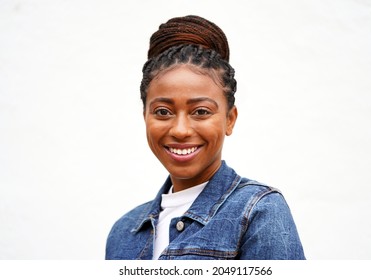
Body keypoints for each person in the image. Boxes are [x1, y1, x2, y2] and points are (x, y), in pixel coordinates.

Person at [105, 15, 305, 260]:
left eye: (200, 111)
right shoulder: (123, 233)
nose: (180, 130)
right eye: (163, 112)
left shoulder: (258, 212)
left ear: (230, 119)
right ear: (145, 116)